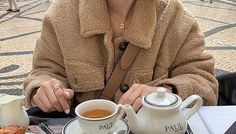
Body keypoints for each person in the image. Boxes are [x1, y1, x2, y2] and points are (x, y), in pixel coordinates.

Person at [23, 0, 218, 114]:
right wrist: (44, 88)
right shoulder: (60, 16)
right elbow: (44, 71)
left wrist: (164, 92)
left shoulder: (178, 20)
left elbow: (204, 82)